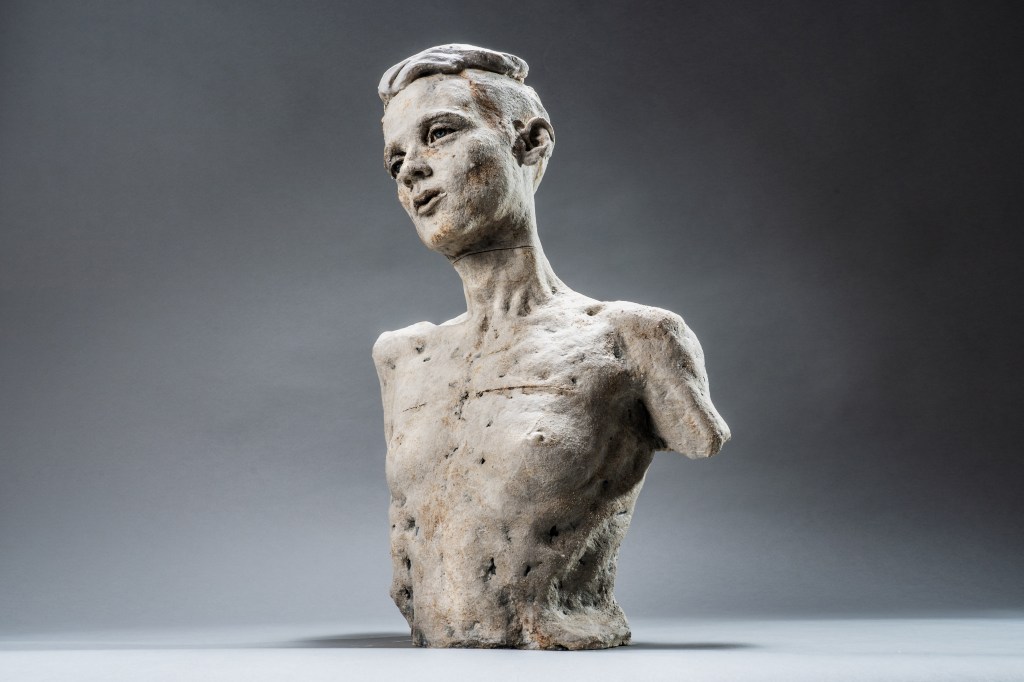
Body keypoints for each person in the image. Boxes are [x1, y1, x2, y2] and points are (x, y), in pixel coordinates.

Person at [373, 44, 730, 649]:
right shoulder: (403, 357)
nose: (411, 171)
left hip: (555, 632)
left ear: (530, 143)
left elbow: (700, 440)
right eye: (396, 159)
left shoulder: (632, 338)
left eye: (439, 134)